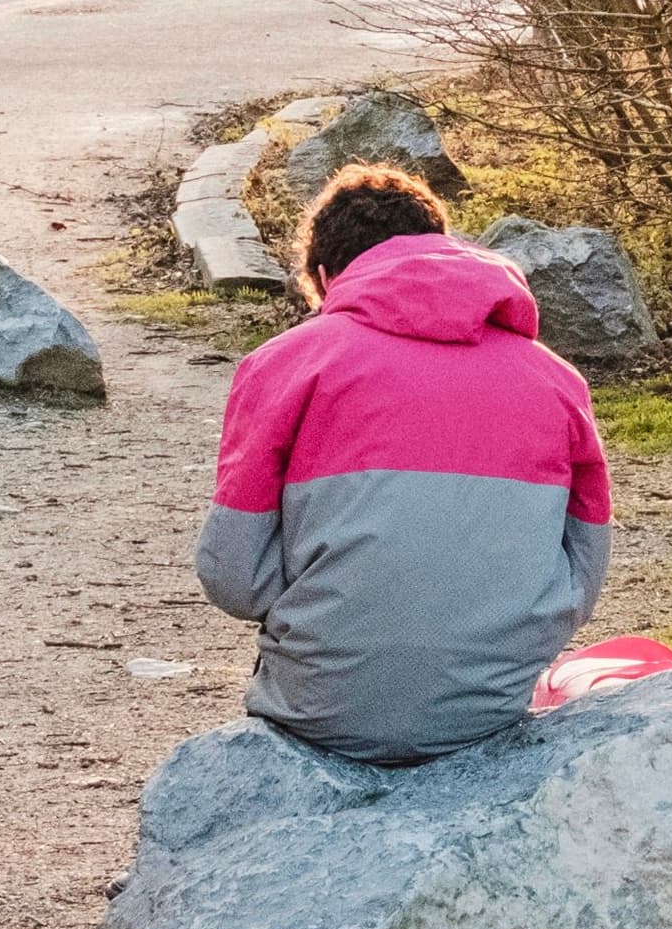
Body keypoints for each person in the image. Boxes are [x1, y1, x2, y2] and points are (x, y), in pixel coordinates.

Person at [195, 165, 614, 764]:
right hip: (488, 707)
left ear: (323, 277)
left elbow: (232, 575)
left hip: (319, 708)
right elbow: (581, 575)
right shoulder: (557, 380)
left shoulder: (284, 364)